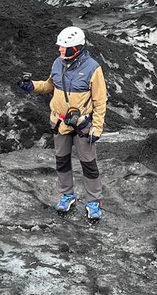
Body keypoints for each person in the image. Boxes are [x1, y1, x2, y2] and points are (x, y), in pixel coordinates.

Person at [19, 26, 107, 222]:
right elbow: (50, 86)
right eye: (60, 47)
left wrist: (97, 127)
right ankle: (67, 195)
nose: (60, 50)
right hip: (59, 123)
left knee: (89, 163)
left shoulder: (93, 68)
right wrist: (32, 86)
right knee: (62, 161)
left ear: (76, 48)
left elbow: (100, 101)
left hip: (83, 125)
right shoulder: (58, 63)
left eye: (63, 47)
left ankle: (93, 201)